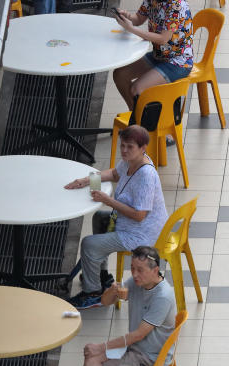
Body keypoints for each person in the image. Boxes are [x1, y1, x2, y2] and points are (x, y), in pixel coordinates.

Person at [64, 125, 168, 310]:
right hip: (130, 223)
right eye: (123, 146)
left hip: (141, 233)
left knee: (89, 244)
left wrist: (108, 200)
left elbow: (139, 215)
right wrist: (86, 180)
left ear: (143, 148)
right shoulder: (131, 161)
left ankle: (93, 293)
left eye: (130, 147)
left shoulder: (146, 175)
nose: (125, 150)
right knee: (99, 218)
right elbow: (113, 174)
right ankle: (101, 275)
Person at [79, 246, 177, 366]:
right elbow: (105, 302)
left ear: (155, 270)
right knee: (91, 358)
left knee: (94, 362)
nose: (135, 274)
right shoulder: (137, 282)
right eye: (132, 268)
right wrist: (113, 291)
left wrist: (101, 347)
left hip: (148, 360)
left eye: (140, 270)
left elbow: (138, 335)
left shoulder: (163, 297)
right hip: (133, 349)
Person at [111, 0, 194, 108]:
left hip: (177, 62)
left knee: (137, 89)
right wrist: (127, 16)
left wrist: (132, 29)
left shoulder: (176, 4)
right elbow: (139, 18)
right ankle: (136, 117)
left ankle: (143, 124)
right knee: (120, 74)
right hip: (159, 56)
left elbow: (163, 39)